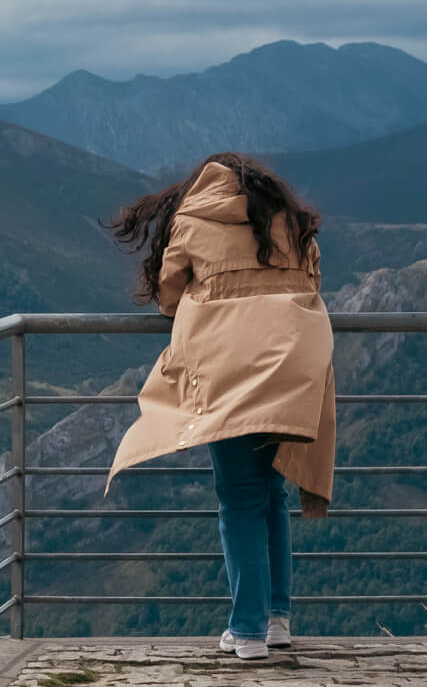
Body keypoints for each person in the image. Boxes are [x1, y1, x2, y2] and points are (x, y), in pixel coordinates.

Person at [104, 154, 336, 661]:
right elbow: (313, 281)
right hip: (295, 361)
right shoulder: (292, 223)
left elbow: (169, 294)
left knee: (238, 496)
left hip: (227, 363)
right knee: (272, 488)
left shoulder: (192, 221)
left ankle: (248, 630)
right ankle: (276, 618)